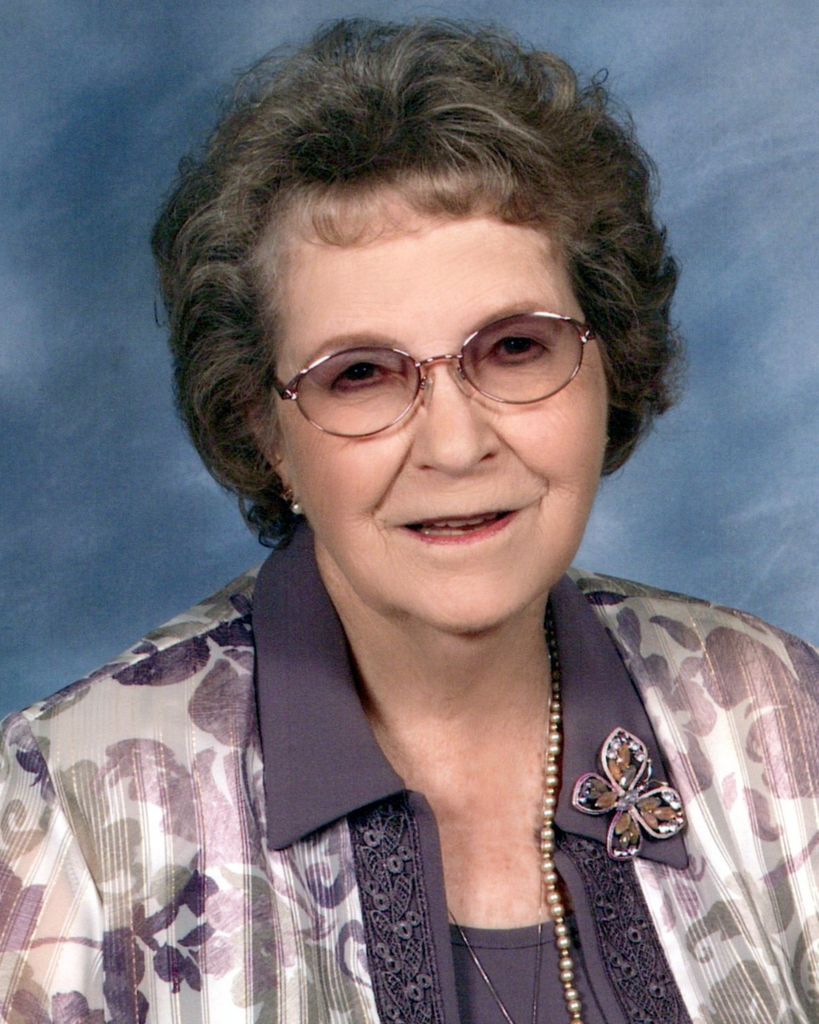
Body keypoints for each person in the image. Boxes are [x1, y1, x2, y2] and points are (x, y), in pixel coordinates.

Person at [0, 17, 816, 1024]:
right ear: (263, 428)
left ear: (610, 365)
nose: (456, 444)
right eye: (360, 374)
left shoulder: (774, 716)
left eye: (514, 348)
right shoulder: (70, 807)